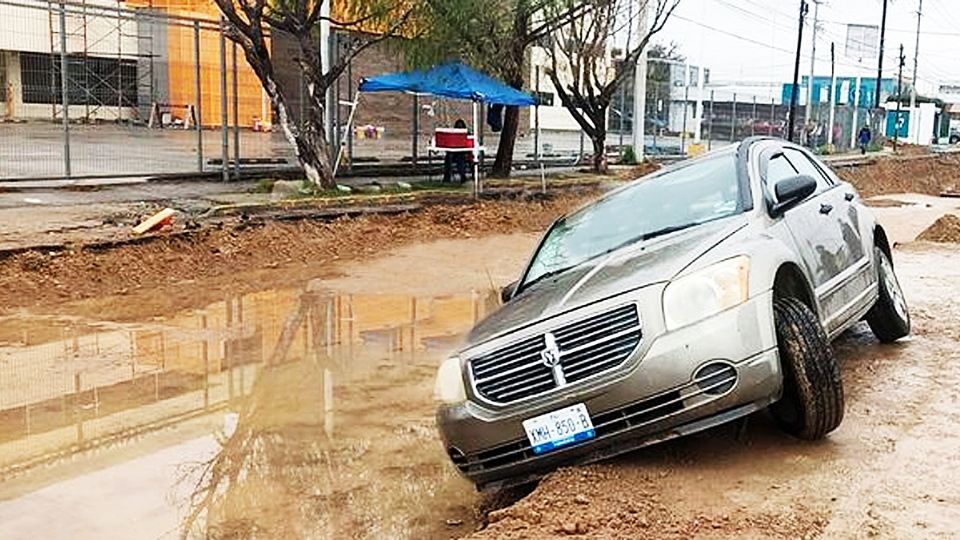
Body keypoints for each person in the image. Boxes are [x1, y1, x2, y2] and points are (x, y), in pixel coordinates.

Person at [443, 118, 469, 184]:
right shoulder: (453, 134)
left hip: (463, 153)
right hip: (453, 153)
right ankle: (447, 177)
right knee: (448, 157)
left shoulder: (467, 134)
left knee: (460, 159)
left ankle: (463, 177)